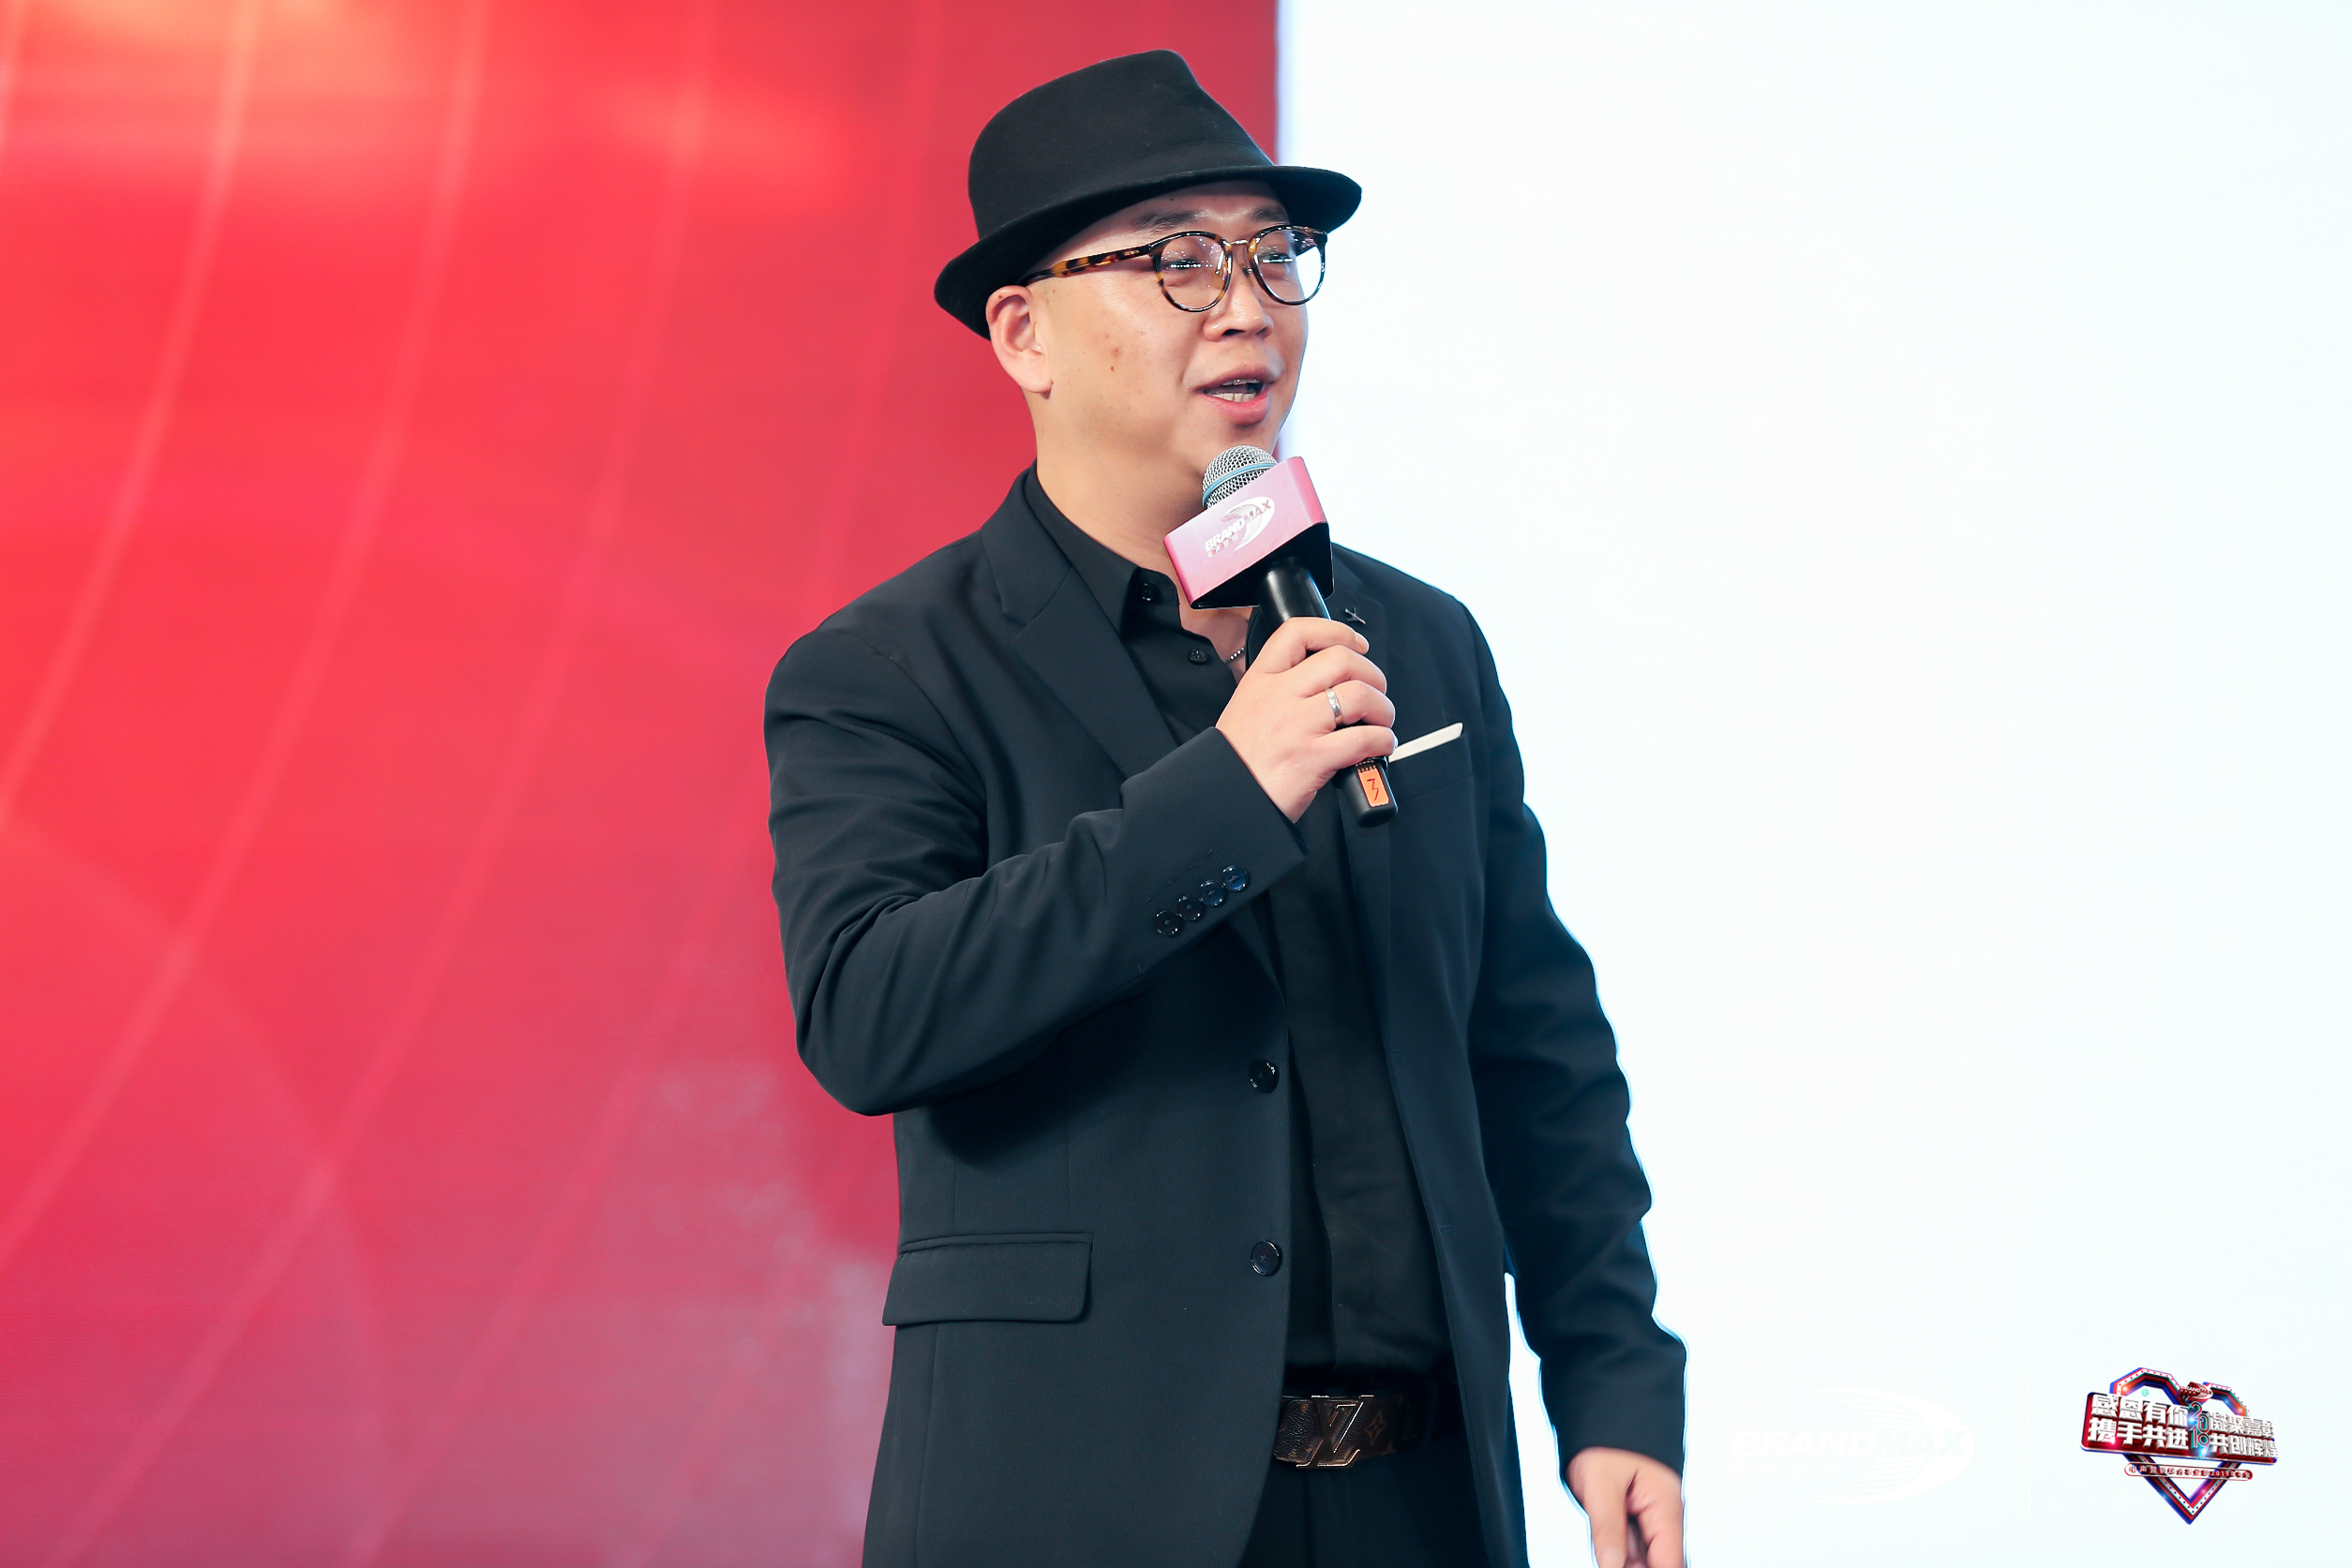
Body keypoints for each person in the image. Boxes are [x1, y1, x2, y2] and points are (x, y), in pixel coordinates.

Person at [765, 50, 1685, 1568]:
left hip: (1413, 1495)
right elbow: (871, 1015)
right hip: (1077, 1504)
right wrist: (1225, 794)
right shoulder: (890, 665)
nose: (1246, 307)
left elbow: (1532, 1048)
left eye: (1271, 255)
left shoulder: (1412, 637)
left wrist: (1613, 1382)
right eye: (1175, 262)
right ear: (1023, 333)